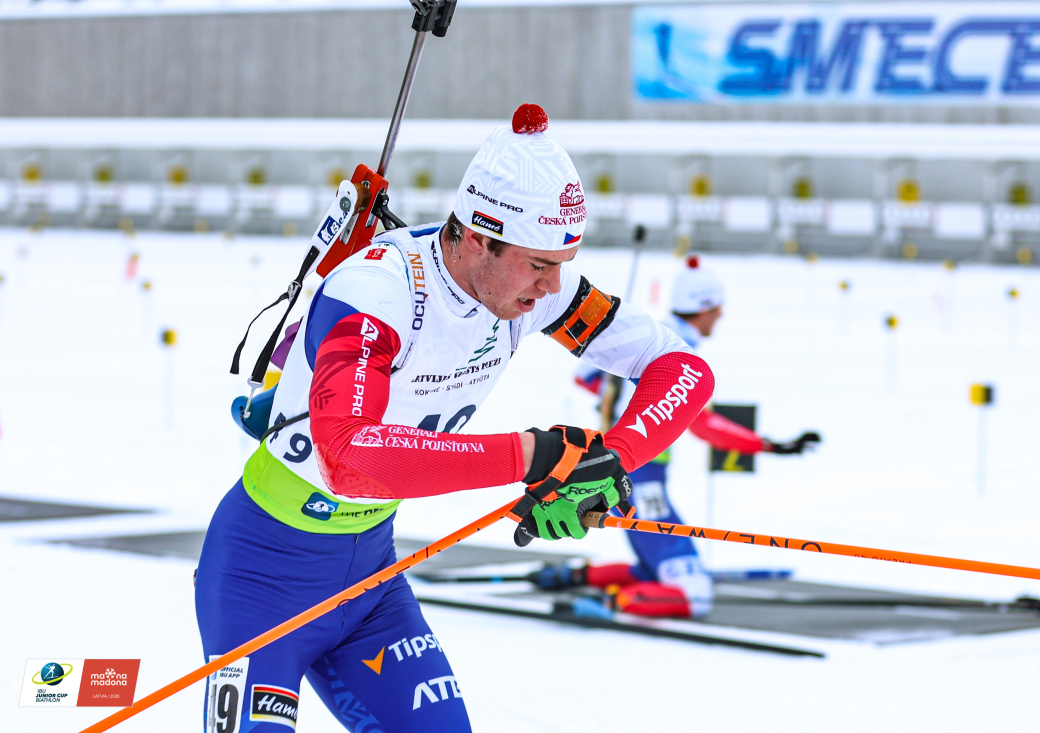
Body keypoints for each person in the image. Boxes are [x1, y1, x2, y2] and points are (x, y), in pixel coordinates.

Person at [195, 104, 716, 733]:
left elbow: (683, 368)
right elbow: (350, 459)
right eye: (539, 265)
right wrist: (535, 455)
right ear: (476, 236)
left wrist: (609, 459)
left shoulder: (529, 291)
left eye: (561, 263)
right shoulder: (379, 293)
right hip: (261, 579)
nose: (553, 288)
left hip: (370, 586)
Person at [542, 255, 820, 620]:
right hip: (640, 477)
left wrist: (622, 399)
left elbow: (587, 377)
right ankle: (610, 603)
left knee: (654, 568)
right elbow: (702, 424)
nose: (720, 316)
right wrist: (766, 445)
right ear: (702, 309)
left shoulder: (651, 332)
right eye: (717, 309)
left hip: (627, 472)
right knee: (695, 594)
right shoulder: (678, 351)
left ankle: (577, 577)